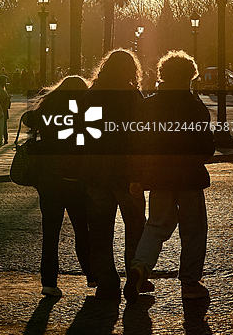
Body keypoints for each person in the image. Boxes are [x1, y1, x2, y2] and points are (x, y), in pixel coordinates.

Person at [124, 51, 215, 303]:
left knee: (155, 226)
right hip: (189, 177)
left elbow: (138, 144)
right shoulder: (195, 107)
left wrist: (137, 176)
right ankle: (190, 281)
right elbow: (206, 147)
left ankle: (140, 265)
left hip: (159, 176)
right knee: (194, 230)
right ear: (189, 77)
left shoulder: (149, 105)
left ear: (163, 75)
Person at [81, 49, 148, 300]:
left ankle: (107, 281)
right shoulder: (133, 96)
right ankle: (135, 274)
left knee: (100, 229)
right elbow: (140, 136)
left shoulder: (92, 95)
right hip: (127, 171)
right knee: (135, 226)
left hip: (97, 171)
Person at [25, 75, 95, 298]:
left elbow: (30, 121)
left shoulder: (48, 107)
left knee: (50, 233)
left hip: (48, 180)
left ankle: (49, 282)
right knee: (82, 230)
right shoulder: (82, 110)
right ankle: (91, 275)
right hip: (74, 179)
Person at [0, 74, 11, 144]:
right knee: (3, 125)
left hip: (1, 110)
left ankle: (2, 138)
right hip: (3, 110)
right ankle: (5, 138)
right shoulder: (2, 90)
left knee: (1, 125)